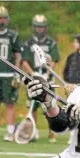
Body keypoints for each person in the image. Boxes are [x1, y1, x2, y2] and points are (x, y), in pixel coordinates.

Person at [21, 14, 61, 143]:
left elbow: (54, 60)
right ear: (34, 28)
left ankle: (52, 131)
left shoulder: (51, 42)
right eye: (37, 27)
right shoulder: (28, 43)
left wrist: (48, 73)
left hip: (47, 80)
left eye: (42, 27)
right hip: (34, 79)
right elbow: (24, 61)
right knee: (33, 106)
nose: (40, 30)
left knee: (50, 105)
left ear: (45, 28)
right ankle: (33, 130)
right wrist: (32, 73)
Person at [0, 6, 22, 142]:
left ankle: (10, 131)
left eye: (5, 18)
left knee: (10, 104)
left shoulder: (13, 35)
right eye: (0, 18)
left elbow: (18, 54)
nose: (3, 21)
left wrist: (17, 72)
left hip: (8, 75)